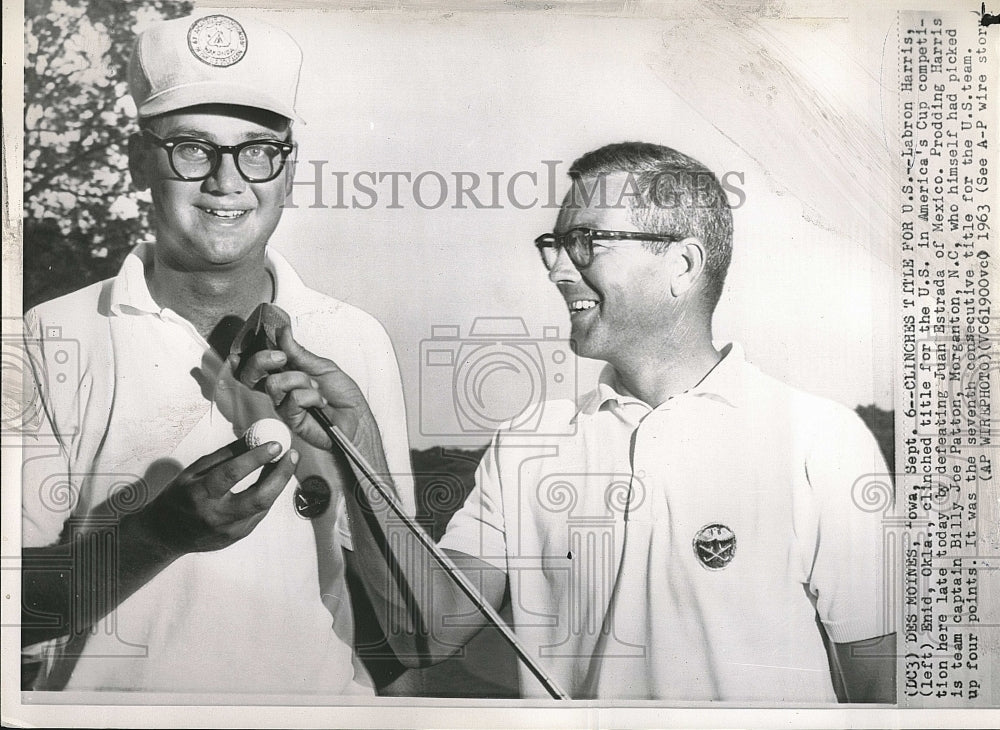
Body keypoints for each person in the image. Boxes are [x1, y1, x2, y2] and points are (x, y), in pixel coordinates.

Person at [247, 141, 896, 702]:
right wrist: (355, 435)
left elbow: (882, 692)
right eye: (555, 244)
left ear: (684, 266)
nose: (558, 269)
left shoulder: (822, 441)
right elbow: (426, 632)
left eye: (587, 242)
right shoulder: (528, 444)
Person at [20, 12, 413, 694]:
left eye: (258, 149)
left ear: (289, 171)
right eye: (192, 148)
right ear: (140, 159)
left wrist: (361, 464)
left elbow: (407, 619)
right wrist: (153, 537)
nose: (226, 182)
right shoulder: (47, 333)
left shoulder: (355, 339)